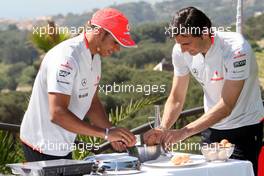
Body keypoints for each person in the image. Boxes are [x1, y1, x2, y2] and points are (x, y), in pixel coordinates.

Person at [144, 7, 263, 175]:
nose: (183, 49)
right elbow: (177, 97)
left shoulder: (236, 49)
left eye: (186, 43)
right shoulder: (180, 50)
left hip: (244, 127)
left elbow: (227, 105)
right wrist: (163, 128)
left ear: (205, 33)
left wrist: (184, 132)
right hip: (210, 127)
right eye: (179, 43)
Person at [20, 8, 137, 162]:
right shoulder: (66, 58)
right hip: (41, 145)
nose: (117, 49)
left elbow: (92, 103)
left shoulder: (95, 57)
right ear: (100, 33)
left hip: (63, 144)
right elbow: (57, 113)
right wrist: (106, 134)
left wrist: (112, 131)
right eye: (115, 42)